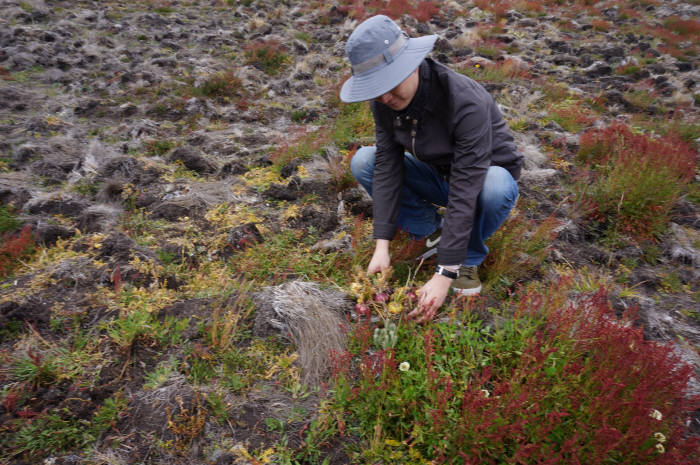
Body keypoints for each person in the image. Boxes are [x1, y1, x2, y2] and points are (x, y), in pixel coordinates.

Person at [339, 15, 523, 321]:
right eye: (375, 89)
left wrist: (444, 273)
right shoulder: (384, 102)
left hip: (481, 180)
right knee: (365, 161)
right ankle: (433, 232)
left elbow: (466, 188)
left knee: (495, 184)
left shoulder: (464, 101)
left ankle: (467, 258)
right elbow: (387, 165)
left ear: (411, 64)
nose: (384, 97)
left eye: (389, 84)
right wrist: (381, 244)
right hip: (437, 176)